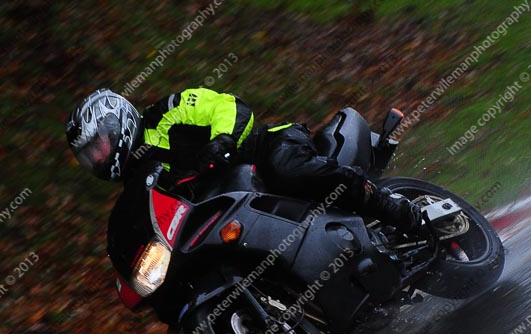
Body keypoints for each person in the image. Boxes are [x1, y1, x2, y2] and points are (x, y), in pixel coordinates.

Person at [65, 88, 423, 233]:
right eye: (88, 156)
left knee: (286, 168)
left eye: (96, 146)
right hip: (237, 207)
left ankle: (393, 207)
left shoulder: (167, 113)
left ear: (115, 125)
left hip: (264, 149)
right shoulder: (139, 187)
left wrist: (222, 140)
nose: (96, 158)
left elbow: (227, 105)